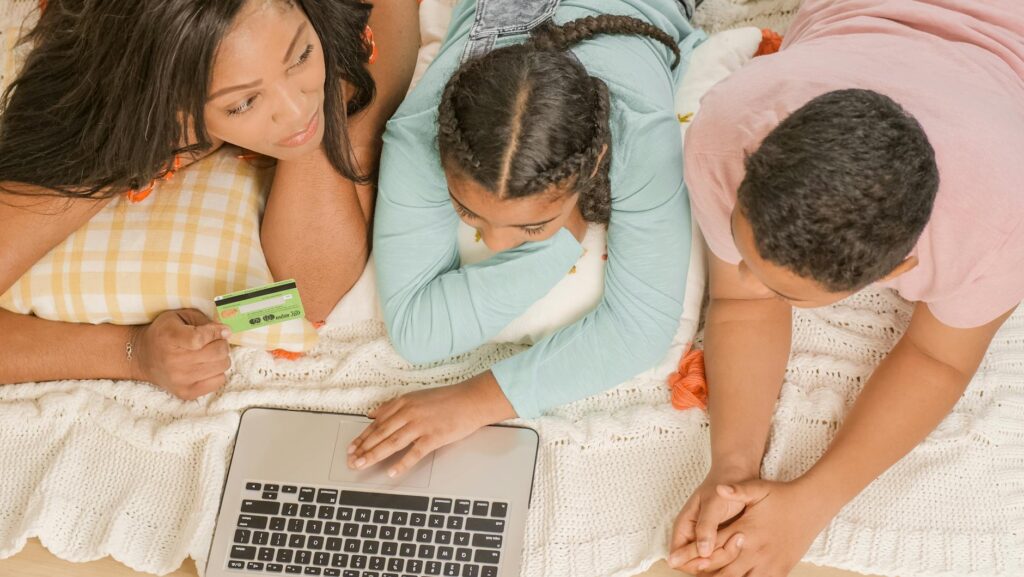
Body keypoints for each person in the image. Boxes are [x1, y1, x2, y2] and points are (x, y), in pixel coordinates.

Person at [668, 1, 1024, 575]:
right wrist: (730, 471)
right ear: (760, 154)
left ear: (894, 273)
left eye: (784, 292)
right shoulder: (730, 127)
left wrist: (812, 502)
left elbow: (937, 358)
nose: (743, 278)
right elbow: (738, 300)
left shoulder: (1001, 221)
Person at [346, 0, 704, 476]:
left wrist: (476, 400)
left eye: (530, 226)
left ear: (593, 167)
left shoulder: (640, 138)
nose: (496, 246)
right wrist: (556, 241)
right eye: (468, 211)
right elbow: (416, 330)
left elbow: (641, 330)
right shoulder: (419, 136)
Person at [0, 0, 420, 398]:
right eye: (243, 103)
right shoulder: (120, 124)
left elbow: (312, 290)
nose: (294, 111)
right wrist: (132, 351)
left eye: (301, 55)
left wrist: (327, 110)